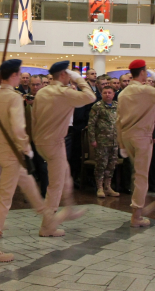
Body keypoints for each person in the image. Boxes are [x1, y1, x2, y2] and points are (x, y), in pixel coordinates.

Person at [0, 59, 67, 262]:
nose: (21, 77)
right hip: (13, 154)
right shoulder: (13, 98)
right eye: (19, 73)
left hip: (0, 151)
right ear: (13, 75)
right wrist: (27, 150)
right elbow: (19, 129)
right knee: (4, 200)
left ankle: (48, 223)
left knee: (32, 191)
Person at [31, 61, 95, 226]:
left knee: (65, 175)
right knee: (56, 184)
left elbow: (34, 118)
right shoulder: (64, 93)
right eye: (68, 74)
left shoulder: (43, 92)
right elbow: (91, 96)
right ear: (64, 75)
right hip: (54, 142)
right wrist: (80, 79)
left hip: (41, 141)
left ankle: (69, 207)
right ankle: (48, 224)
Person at [117, 61, 155, 227]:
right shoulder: (146, 90)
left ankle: (139, 205)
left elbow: (118, 121)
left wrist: (121, 144)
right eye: (146, 72)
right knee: (142, 176)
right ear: (143, 73)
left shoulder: (123, 93)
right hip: (142, 136)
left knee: (136, 174)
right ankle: (137, 215)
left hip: (127, 136)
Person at [87, 86, 119, 198]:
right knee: (101, 165)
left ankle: (108, 187)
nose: (107, 94)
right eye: (105, 93)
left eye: (110, 92)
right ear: (101, 94)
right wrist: (92, 140)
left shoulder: (117, 106)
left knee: (111, 165)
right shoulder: (97, 106)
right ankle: (100, 187)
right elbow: (91, 124)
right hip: (102, 141)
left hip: (115, 141)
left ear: (114, 94)